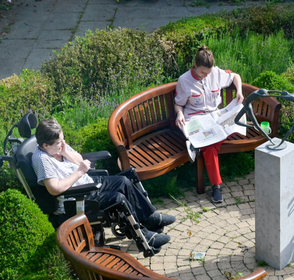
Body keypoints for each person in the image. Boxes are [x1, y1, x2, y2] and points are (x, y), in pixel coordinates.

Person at [32, 118, 175, 251]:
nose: (63, 144)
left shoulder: (58, 145)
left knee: (123, 181)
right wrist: (80, 172)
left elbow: (79, 159)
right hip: (76, 198)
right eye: (59, 143)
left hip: (88, 183)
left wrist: (65, 152)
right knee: (117, 198)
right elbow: (54, 189)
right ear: (45, 145)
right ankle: (145, 238)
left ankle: (149, 219)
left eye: (63, 140)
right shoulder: (42, 159)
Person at [174, 45, 244, 204]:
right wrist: (179, 113)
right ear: (195, 65)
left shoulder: (216, 73)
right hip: (195, 119)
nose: (206, 76)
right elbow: (178, 104)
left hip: (215, 117)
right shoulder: (184, 81)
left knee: (236, 123)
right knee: (210, 146)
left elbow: (236, 76)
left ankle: (196, 145)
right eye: (202, 72)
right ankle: (216, 186)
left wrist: (239, 91)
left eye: (208, 72)